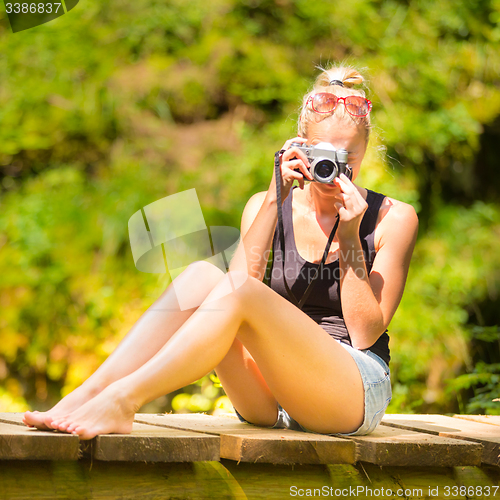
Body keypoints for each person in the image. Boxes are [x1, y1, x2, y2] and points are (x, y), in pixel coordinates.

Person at [23, 64, 418, 440]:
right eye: (323, 156)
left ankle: (123, 401)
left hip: (349, 392)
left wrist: (350, 236)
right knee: (204, 277)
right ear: (299, 148)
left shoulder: (392, 218)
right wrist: (273, 197)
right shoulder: (264, 205)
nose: (333, 169)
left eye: (346, 158)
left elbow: (366, 333)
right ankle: (85, 395)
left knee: (241, 290)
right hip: (272, 394)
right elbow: (229, 292)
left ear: (365, 151)